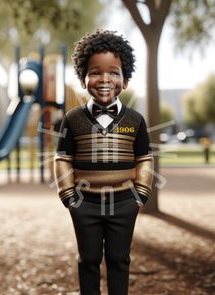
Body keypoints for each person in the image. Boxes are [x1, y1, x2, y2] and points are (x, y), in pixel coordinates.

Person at [54, 29, 154, 295]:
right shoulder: (73, 119)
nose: (104, 79)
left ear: (126, 79)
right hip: (84, 204)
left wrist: (140, 196)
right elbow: (63, 158)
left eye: (113, 72)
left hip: (124, 203)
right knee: (88, 261)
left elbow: (144, 158)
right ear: (83, 78)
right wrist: (69, 197)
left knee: (119, 260)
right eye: (95, 72)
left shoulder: (135, 120)